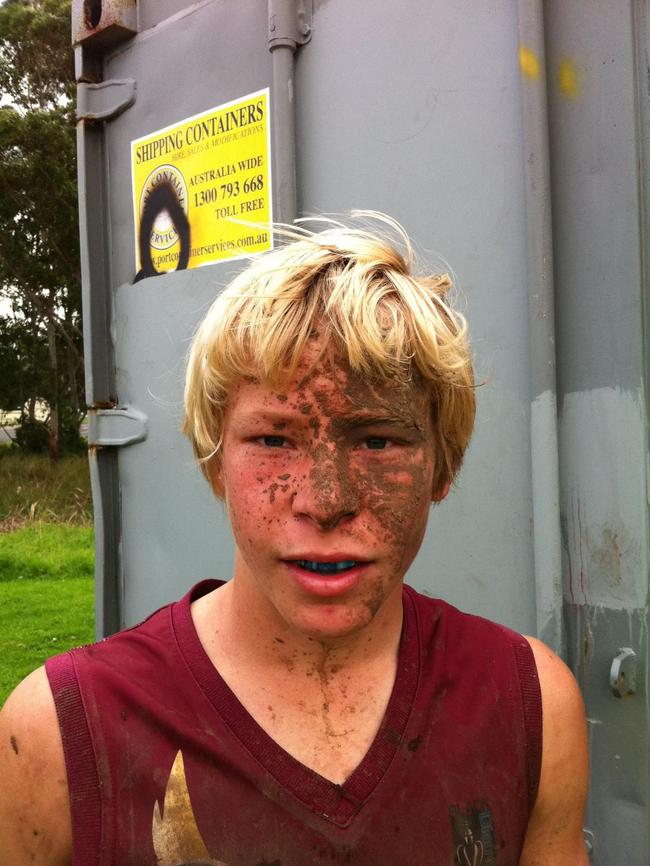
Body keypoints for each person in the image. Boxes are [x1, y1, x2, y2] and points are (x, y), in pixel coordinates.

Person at [0, 213, 588, 866]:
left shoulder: (529, 704)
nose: (324, 501)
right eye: (275, 439)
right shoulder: (59, 736)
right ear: (215, 459)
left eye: (377, 439)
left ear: (441, 467)